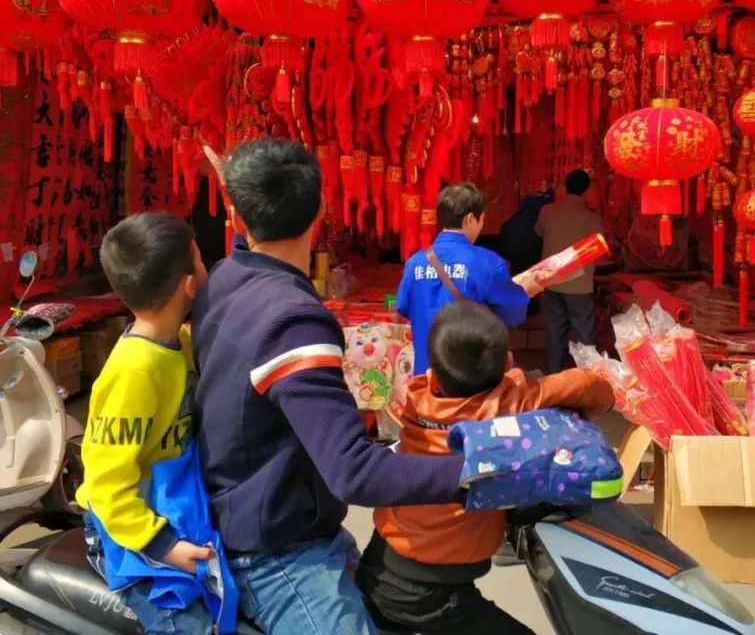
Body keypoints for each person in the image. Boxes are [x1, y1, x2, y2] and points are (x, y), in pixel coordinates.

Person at [194, 139, 465, 635]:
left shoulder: (225, 278)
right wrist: (482, 472)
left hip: (271, 515)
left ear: (234, 215)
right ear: (322, 207)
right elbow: (354, 472)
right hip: (276, 554)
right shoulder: (292, 320)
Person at [357, 301, 614, 635]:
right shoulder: (511, 405)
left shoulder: (417, 397)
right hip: (428, 592)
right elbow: (583, 386)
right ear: (507, 361)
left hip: (384, 562)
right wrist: (609, 393)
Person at [77, 212, 214, 633]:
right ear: (189, 284)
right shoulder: (135, 371)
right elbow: (106, 485)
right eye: (201, 257)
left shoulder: (181, 342)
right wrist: (163, 546)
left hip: (175, 503)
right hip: (126, 531)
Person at [397, 183, 535, 376]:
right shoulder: (488, 262)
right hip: (470, 375)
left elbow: (403, 307)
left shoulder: (414, 263)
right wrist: (526, 290)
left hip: (427, 373)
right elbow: (513, 314)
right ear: (470, 219)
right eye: (482, 220)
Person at [535, 169, 604, 373]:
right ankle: (585, 378)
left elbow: (538, 231)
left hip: (552, 281)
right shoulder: (592, 218)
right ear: (586, 189)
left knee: (555, 330)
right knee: (584, 333)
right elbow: (599, 248)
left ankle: (554, 376)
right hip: (579, 285)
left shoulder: (547, 211)